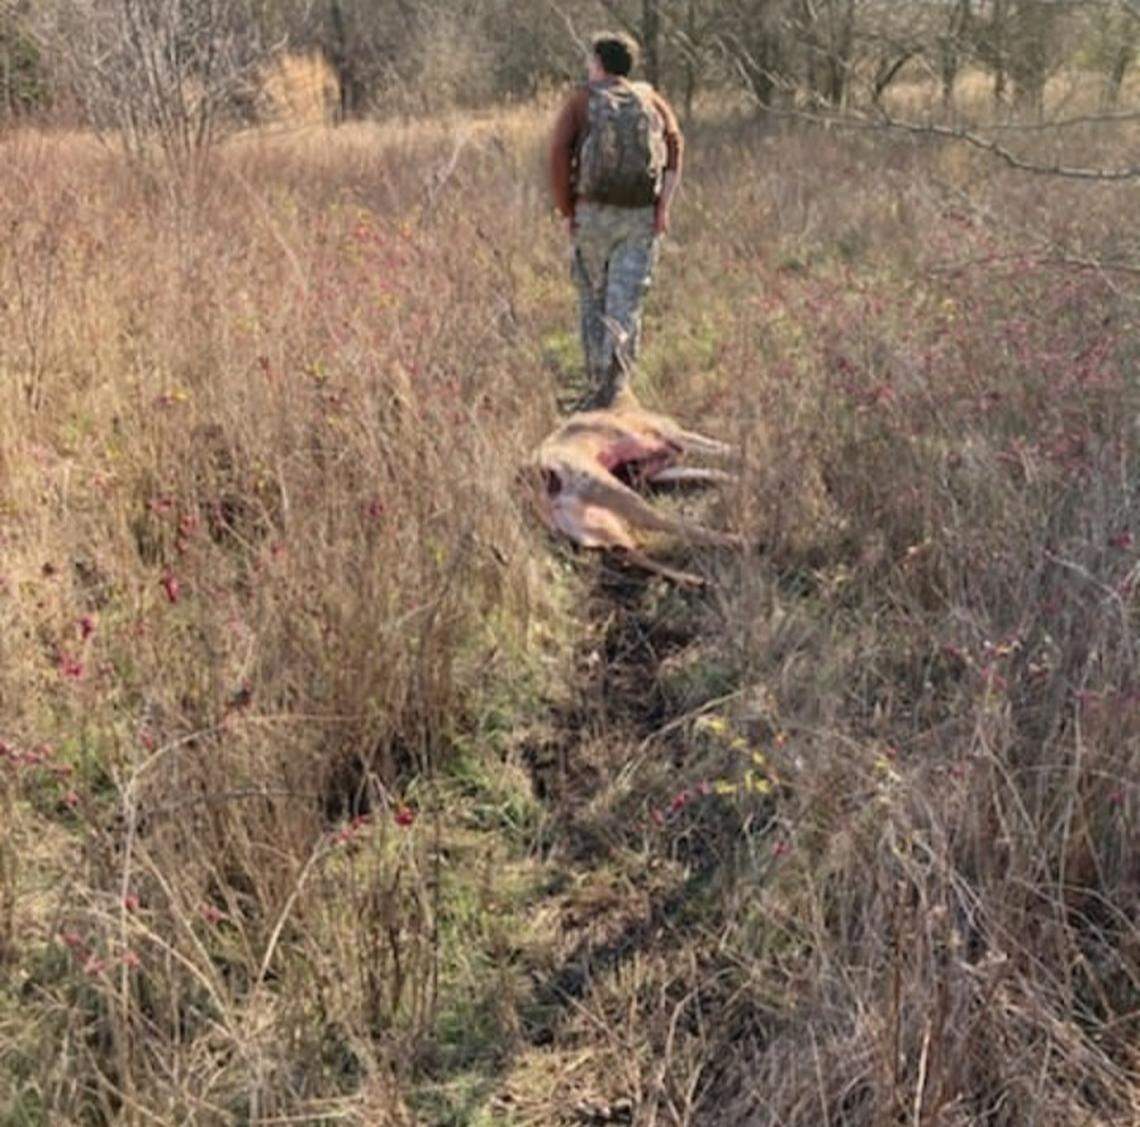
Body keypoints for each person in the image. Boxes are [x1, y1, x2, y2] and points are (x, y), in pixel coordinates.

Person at [549, 32, 684, 409]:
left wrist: (566, 210)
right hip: (640, 217)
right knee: (626, 303)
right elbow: (675, 146)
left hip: (592, 216)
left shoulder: (581, 101)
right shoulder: (650, 99)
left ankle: (598, 390)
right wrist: (664, 206)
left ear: (598, 63)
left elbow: (559, 154)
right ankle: (620, 389)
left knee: (594, 301)